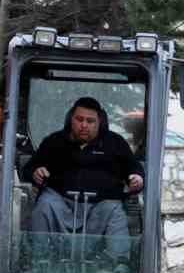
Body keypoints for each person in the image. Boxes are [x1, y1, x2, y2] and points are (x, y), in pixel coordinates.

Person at [26, 97, 144, 243]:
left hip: (101, 207)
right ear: (71, 119)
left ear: (99, 122)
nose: (84, 125)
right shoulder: (54, 141)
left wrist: (137, 178)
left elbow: (134, 168)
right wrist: (35, 172)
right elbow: (30, 167)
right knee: (44, 204)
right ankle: (38, 259)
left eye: (90, 121)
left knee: (114, 210)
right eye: (79, 119)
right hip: (60, 204)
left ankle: (119, 263)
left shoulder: (115, 143)